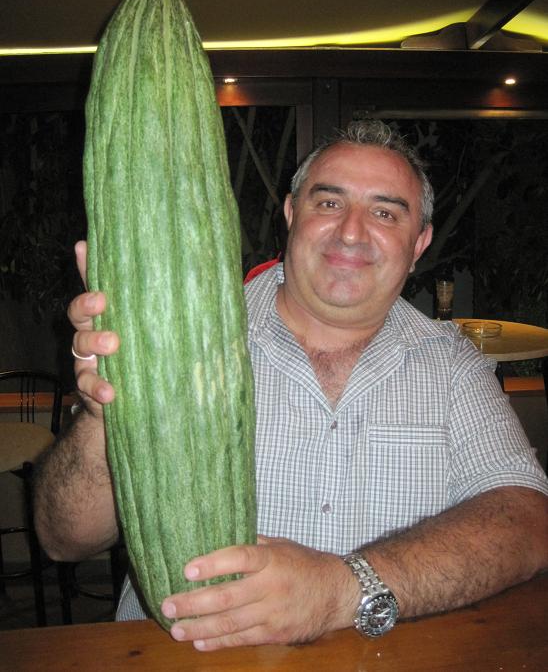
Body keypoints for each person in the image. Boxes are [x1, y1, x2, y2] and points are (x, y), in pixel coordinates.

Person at [34, 120, 548, 651]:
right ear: (290, 214)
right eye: (329, 203)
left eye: (385, 213)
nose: (351, 232)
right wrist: (103, 414)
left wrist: (342, 590)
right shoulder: (182, 340)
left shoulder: (453, 365)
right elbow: (64, 539)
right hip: (181, 655)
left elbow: (528, 521)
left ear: (419, 243)